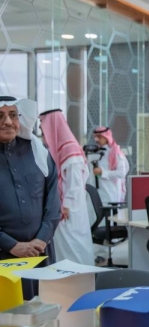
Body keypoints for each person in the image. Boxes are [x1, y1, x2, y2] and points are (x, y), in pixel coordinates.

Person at [0, 96, 60, 299]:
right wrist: (12, 246)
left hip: (39, 252)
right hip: (3, 256)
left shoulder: (38, 152)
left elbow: (53, 201)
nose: (7, 122)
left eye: (13, 115)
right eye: (0, 116)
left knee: (42, 315)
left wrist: (41, 240)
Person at [39, 109, 94, 265]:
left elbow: (75, 183)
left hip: (70, 209)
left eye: (44, 131)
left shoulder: (70, 150)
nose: (44, 135)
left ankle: (79, 282)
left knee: (74, 246)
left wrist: (67, 205)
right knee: (65, 248)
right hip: (63, 207)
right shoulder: (60, 150)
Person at [90, 126, 129, 204]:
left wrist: (103, 172)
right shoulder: (96, 152)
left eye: (99, 137)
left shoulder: (115, 153)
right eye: (95, 137)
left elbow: (122, 173)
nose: (96, 140)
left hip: (111, 192)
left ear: (106, 137)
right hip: (98, 192)